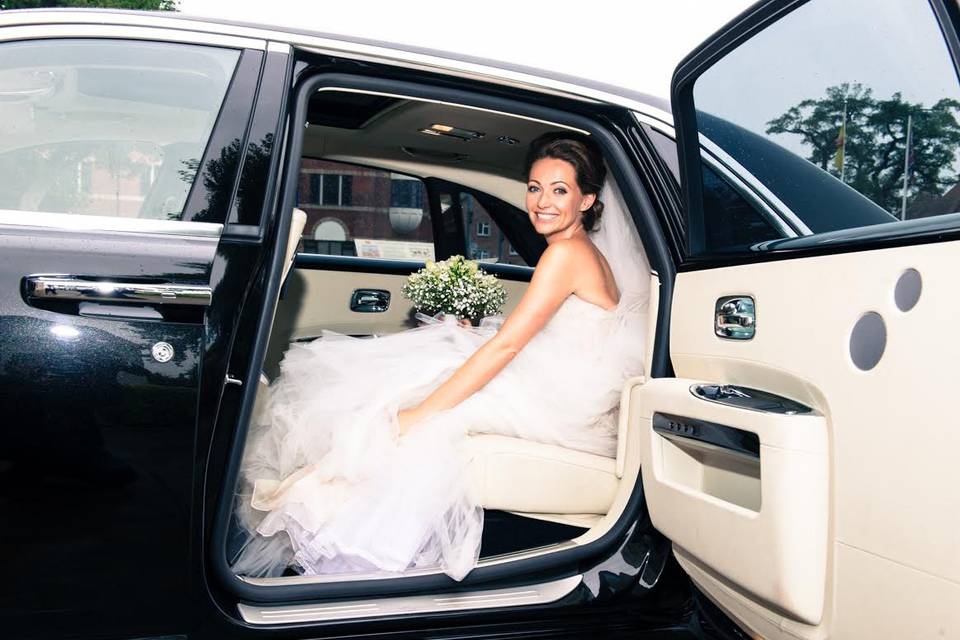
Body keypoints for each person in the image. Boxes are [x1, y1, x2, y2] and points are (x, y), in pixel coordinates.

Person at [232, 132, 651, 581]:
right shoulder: (583, 252)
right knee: (421, 374)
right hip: (571, 390)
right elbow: (546, 337)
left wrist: (420, 413)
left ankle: (360, 555)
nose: (542, 201)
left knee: (419, 414)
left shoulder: (566, 253)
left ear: (587, 200)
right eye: (534, 187)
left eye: (559, 190)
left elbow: (509, 346)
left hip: (566, 405)